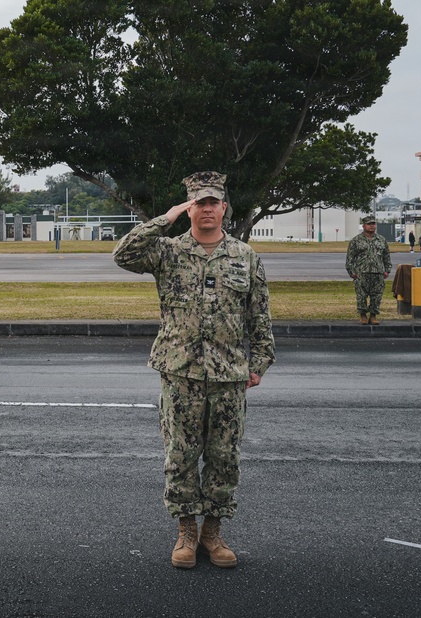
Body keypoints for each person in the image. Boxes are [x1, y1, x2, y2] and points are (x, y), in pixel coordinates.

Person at [112, 171, 275, 570]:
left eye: (212, 202)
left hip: (228, 375)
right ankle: (186, 532)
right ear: (190, 208)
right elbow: (123, 254)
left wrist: (259, 363)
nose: (206, 209)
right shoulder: (167, 251)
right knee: (181, 455)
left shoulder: (245, 256)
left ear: (224, 208)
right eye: (198, 203)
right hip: (179, 371)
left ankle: (213, 533)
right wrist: (164, 219)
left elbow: (260, 315)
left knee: (224, 456)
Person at [345, 215, 392, 325]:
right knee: (361, 296)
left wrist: (387, 270)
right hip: (361, 273)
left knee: (377, 296)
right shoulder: (356, 240)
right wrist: (351, 271)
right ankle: (363, 316)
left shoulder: (381, 240)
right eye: (369, 224)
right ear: (364, 225)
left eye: (373, 224)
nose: (372, 226)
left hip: (378, 273)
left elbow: (386, 256)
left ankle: (373, 316)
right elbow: (350, 258)